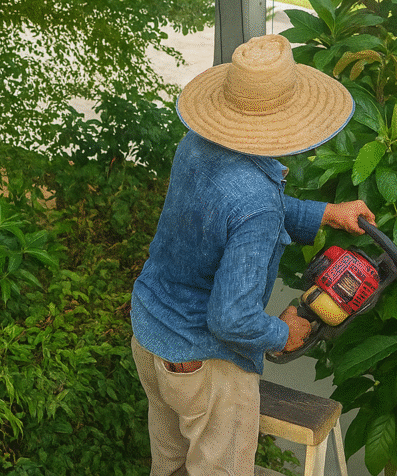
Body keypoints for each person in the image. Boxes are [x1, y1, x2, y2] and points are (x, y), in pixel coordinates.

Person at [130, 34, 375, 476]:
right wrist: (285, 334)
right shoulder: (257, 203)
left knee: (169, 468)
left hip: (150, 335)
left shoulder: (196, 144)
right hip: (203, 364)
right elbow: (231, 318)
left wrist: (328, 214)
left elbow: (235, 209)